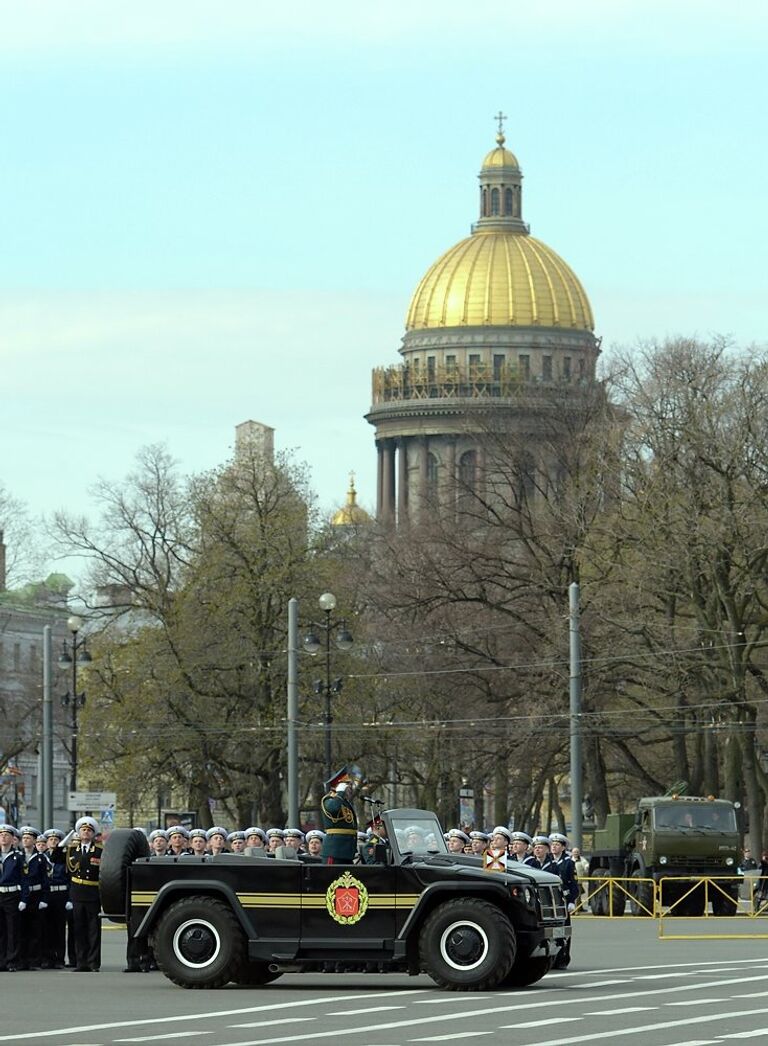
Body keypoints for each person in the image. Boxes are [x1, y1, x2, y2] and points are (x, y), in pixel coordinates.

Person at [64, 816, 103, 972]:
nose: (86, 833)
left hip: (93, 893)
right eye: (83, 830)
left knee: (93, 930)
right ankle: (81, 962)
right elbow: (55, 859)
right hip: (77, 894)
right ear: (78, 833)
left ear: (93, 834)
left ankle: (93, 963)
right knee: (78, 929)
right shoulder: (71, 850)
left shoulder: (100, 850)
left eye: (89, 830)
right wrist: (63, 843)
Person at [320, 767, 359, 864]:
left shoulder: (344, 802)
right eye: (347, 785)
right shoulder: (329, 799)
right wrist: (340, 792)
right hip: (335, 851)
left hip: (346, 851)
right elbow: (333, 809)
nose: (350, 788)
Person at [0, 824, 26, 972]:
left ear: (12, 839)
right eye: (1, 835)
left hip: (12, 895)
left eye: (6, 835)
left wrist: (23, 899)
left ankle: (12, 961)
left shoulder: (18, 857)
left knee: (12, 930)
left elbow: (24, 879)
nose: (3, 837)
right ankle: (1, 960)